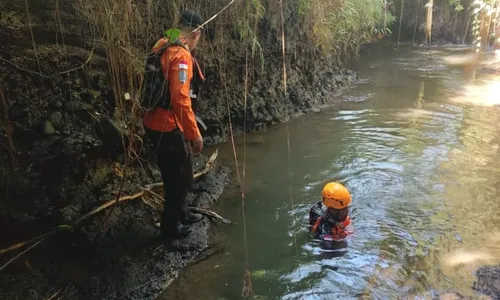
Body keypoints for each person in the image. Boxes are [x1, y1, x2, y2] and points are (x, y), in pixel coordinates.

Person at [142, 10, 205, 241]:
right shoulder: (181, 56)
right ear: (196, 33)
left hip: (152, 121)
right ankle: (170, 231)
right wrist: (193, 134)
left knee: (174, 173)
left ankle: (182, 213)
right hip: (168, 126)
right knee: (181, 179)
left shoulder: (162, 42)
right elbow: (180, 100)